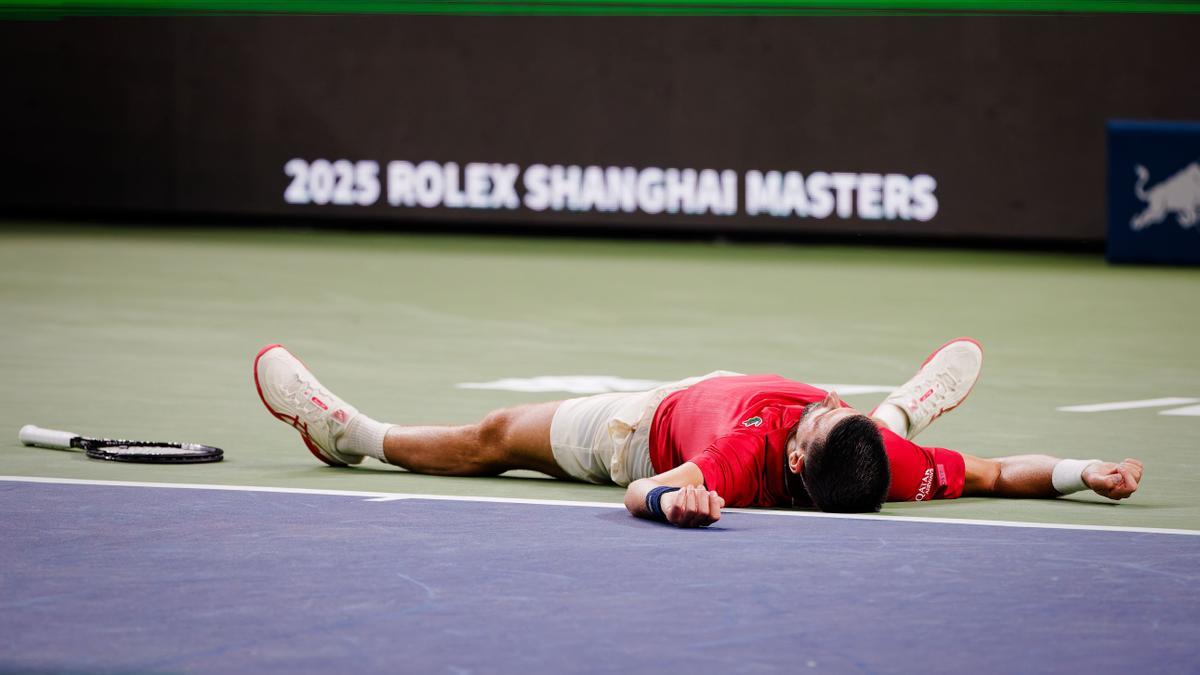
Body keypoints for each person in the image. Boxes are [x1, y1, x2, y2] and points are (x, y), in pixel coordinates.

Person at [253, 339, 1144, 527]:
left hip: (647, 429)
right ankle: (906, 401)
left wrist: (673, 497)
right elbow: (993, 473)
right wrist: (1077, 469)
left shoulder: (746, 449)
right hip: (726, 400)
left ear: (796, 461)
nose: (819, 401)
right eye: (837, 405)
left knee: (495, 437)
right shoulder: (883, 464)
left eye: (824, 416)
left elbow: (642, 491)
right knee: (893, 426)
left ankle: (351, 435)